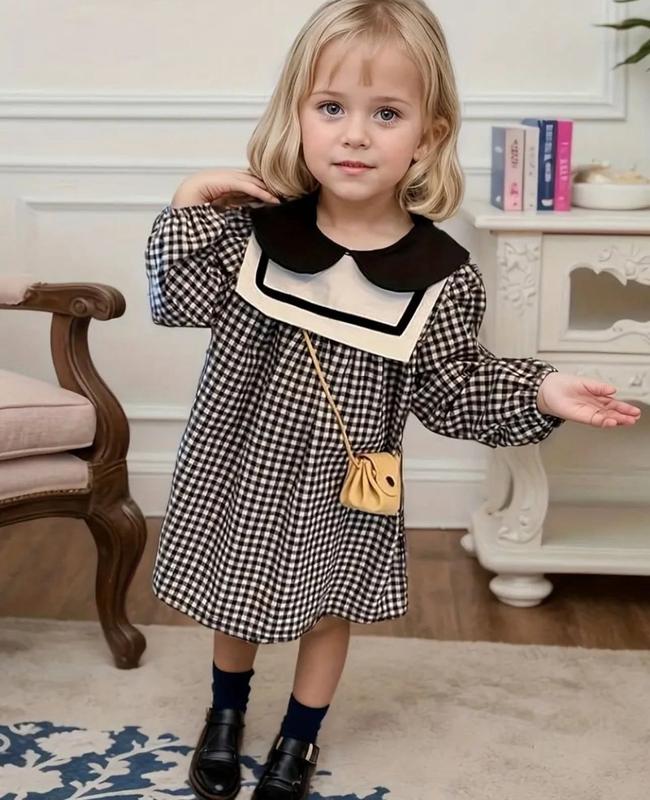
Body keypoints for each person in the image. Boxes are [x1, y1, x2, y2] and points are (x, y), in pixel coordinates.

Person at [143, 1, 642, 798]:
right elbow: (176, 301)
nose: (355, 135)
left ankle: (299, 737)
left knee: (328, 606)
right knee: (236, 598)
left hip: (344, 481)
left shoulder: (441, 277)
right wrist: (188, 199)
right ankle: (226, 715)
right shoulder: (249, 234)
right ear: (297, 114)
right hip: (241, 463)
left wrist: (544, 387)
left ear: (428, 136)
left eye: (386, 114)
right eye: (331, 108)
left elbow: (455, 388)